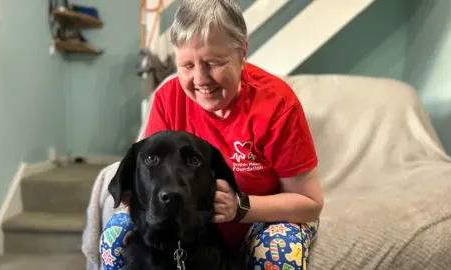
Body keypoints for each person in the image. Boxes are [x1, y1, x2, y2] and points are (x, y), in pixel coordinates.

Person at [99, 0, 324, 269]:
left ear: (242, 53)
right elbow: (154, 174)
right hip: (191, 225)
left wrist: (239, 209)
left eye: (213, 62)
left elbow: (310, 203)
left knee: (276, 253)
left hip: (261, 220)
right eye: (187, 66)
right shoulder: (168, 99)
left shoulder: (278, 105)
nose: (200, 79)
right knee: (114, 239)